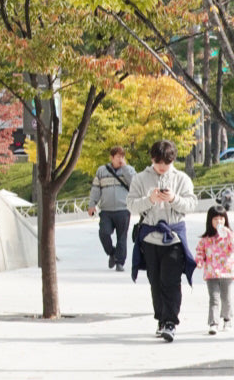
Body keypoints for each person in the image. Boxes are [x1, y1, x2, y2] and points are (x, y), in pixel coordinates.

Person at [127, 139, 196, 342]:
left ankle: (170, 322)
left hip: (173, 237)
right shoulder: (140, 179)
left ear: (172, 160)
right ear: (152, 159)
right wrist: (150, 199)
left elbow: (191, 204)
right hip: (150, 237)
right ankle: (161, 318)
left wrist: (174, 199)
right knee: (155, 281)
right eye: (158, 163)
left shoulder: (181, 178)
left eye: (166, 163)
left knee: (171, 281)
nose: (162, 167)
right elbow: (131, 205)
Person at [88, 146, 135, 272]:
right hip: (106, 210)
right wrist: (92, 205)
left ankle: (120, 262)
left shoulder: (129, 170)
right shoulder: (102, 171)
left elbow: (135, 184)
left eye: (122, 156)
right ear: (112, 158)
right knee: (104, 233)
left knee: (122, 237)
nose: (121, 159)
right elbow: (95, 189)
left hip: (123, 209)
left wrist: (124, 168)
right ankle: (112, 253)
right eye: (118, 157)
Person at [194, 206, 234, 335]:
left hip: (227, 272)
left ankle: (227, 319)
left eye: (221, 219)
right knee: (214, 298)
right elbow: (200, 251)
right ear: (210, 221)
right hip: (211, 273)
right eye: (215, 219)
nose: (219, 222)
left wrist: (228, 234)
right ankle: (213, 323)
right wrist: (199, 261)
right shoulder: (206, 239)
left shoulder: (229, 236)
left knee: (226, 298)